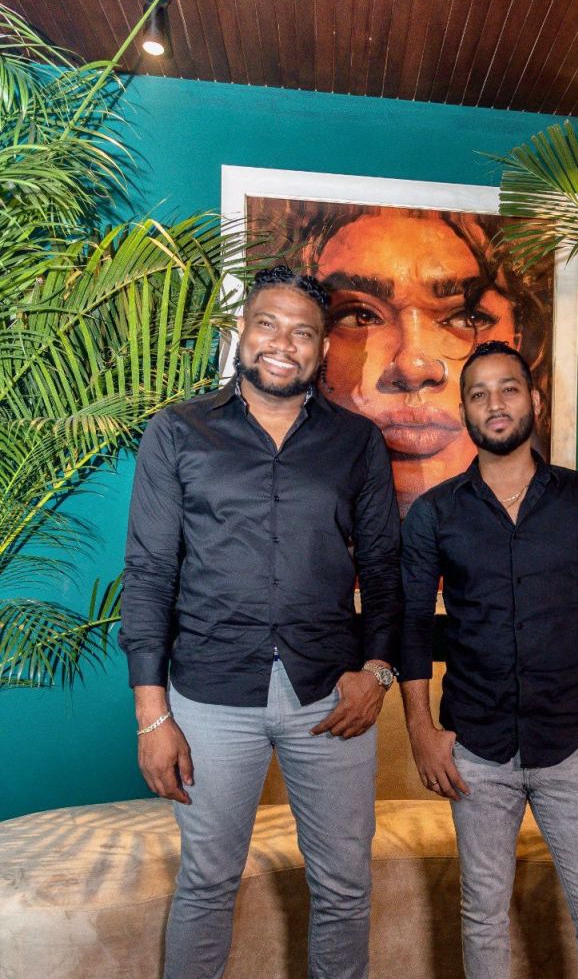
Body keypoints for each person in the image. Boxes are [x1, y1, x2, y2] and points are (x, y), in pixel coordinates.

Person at [119, 266, 402, 979]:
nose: (284, 343)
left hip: (330, 697)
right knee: (207, 883)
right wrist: (152, 715)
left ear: (322, 349)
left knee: (344, 886)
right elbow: (149, 571)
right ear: (241, 333)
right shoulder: (178, 432)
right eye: (268, 324)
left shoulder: (357, 442)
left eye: (303, 332)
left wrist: (377, 671)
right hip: (209, 694)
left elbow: (384, 568)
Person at [399, 340, 578, 979]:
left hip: (571, 747)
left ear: (533, 399)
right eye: (478, 394)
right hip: (476, 750)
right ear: (464, 412)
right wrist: (421, 732)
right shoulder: (434, 513)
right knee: (483, 918)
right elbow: (413, 627)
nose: (495, 404)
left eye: (508, 388)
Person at [247, 200, 553, 517]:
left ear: (518, 347)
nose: (412, 367)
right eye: (360, 317)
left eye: (467, 318)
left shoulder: (573, 504)